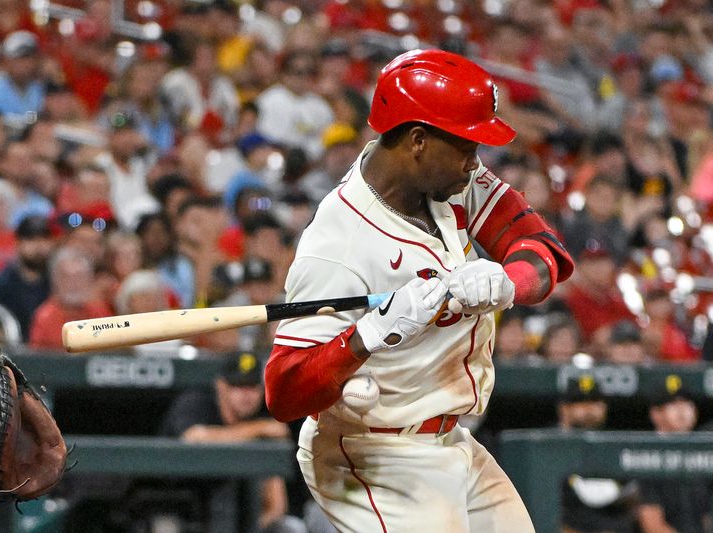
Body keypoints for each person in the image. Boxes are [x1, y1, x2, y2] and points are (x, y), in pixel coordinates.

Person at [264, 49, 574, 532]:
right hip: (372, 451)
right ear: (417, 141)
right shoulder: (337, 244)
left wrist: (504, 282)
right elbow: (284, 391)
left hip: (451, 440)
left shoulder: (450, 184)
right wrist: (369, 336)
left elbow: (545, 250)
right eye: (468, 147)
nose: (477, 163)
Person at [159, 352, 305, 533]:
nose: (246, 395)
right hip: (181, 504)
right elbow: (194, 437)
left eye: (252, 387)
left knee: (291, 528)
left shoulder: (266, 413)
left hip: (246, 516)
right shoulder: (198, 402)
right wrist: (259, 429)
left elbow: (275, 507)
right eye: (238, 386)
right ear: (221, 386)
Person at [557, 373, 638, 533]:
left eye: (595, 402)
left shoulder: (615, 445)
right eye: (581, 402)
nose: (589, 409)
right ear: (564, 409)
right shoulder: (548, 446)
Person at [636, 377, 711, 533]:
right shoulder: (647, 454)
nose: (682, 410)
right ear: (655, 414)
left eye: (686, 403)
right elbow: (652, 523)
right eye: (672, 404)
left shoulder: (702, 452)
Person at [0, 215, 54, 343]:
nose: (38, 246)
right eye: (31, 239)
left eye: (44, 239)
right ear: (18, 243)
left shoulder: (57, 281)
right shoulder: (0, 285)